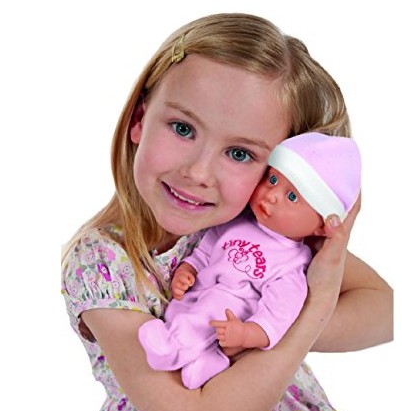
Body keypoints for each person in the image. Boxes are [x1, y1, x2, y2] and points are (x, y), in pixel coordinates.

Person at [61, 13, 393, 411]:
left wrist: (266, 326)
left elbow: (387, 309)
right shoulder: (103, 262)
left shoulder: (257, 229)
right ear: (139, 120)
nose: (198, 173)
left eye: (239, 154)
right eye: (182, 128)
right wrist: (315, 305)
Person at [138, 132, 362, 390]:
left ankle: (171, 348)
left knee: (213, 307)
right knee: (184, 310)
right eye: (272, 179)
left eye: (292, 197)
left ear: (321, 227)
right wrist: (187, 270)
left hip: (228, 314)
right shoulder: (235, 223)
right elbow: (204, 253)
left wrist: (246, 334)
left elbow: (276, 318)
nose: (272, 195)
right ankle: (206, 361)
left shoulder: (292, 265)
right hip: (198, 297)